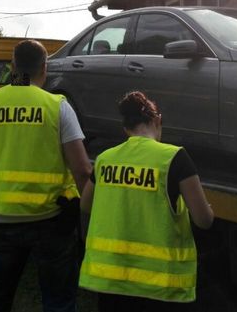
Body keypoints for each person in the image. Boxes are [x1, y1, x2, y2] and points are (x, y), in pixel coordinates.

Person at [0, 39, 92, 312]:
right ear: (45, 67)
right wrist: (88, 223)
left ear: (13, 66)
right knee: (58, 302)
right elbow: (82, 170)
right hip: (53, 222)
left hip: (1, 222)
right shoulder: (57, 105)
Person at [79, 91, 214, 312]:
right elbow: (203, 220)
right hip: (158, 285)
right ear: (157, 120)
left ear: (126, 129)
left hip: (111, 280)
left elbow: (85, 205)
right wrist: (208, 210)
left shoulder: (105, 159)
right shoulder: (174, 157)